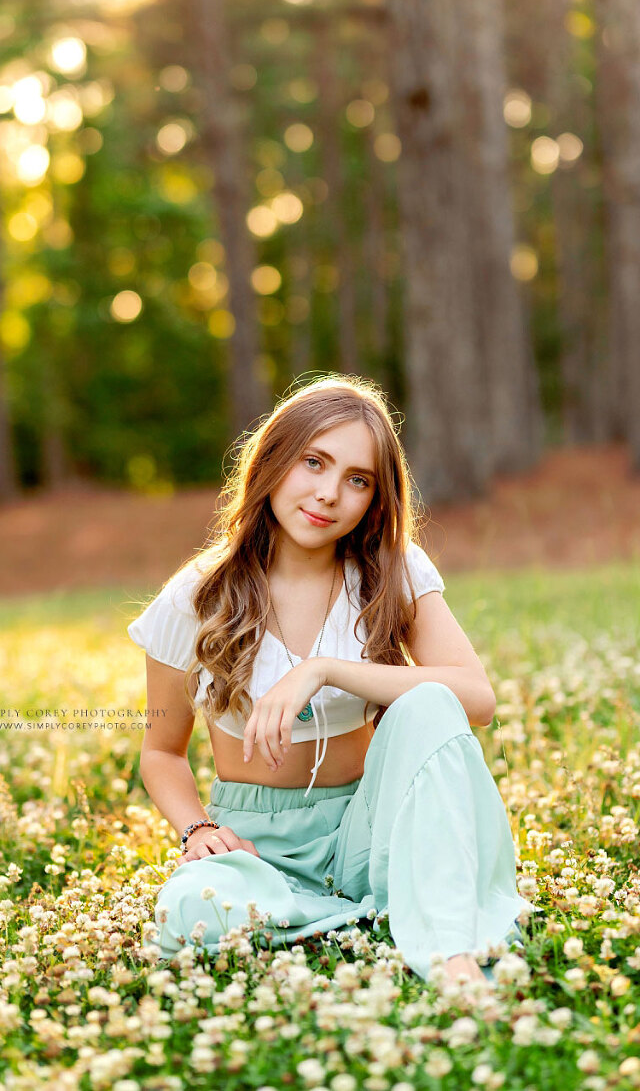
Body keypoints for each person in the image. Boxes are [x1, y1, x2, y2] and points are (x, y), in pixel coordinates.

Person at [127, 374, 531, 984]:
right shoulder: (197, 595)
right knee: (191, 909)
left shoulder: (390, 570)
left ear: (376, 497)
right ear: (273, 461)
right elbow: (160, 752)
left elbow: (476, 698)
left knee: (429, 701)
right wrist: (198, 829)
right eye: (313, 462)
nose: (328, 494)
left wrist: (325, 670)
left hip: (367, 829)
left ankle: (450, 955)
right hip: (257, 844)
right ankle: (375, 915)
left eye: (357, 479)